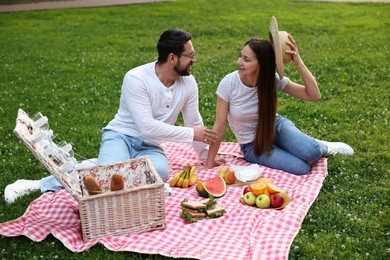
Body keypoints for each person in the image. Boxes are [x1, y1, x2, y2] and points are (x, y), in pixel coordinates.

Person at [5, 29, 224, 204]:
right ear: (172, 58)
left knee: (160, 172)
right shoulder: (136, 78)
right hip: (121, 136)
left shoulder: (189, 83)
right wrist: (190, 134)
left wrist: (205, 156)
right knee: (105, 177)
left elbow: (193, 121)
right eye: (190, 55)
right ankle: (37, 184)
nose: (194, 59)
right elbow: (147, 127)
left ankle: (102, 163)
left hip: (150, 147)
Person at [205, 17, 354, 175]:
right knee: (301, 168)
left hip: (275, 127)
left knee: (313, 152)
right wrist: (209, 163)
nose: (239, 62)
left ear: (261, 65)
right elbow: (219, 127)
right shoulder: (228, 83)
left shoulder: (272, 80)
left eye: (246, 59)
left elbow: (313, 95)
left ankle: (322, 146)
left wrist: (298, 62)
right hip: (251, 145)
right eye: (241, 56)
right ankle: (299, 146)